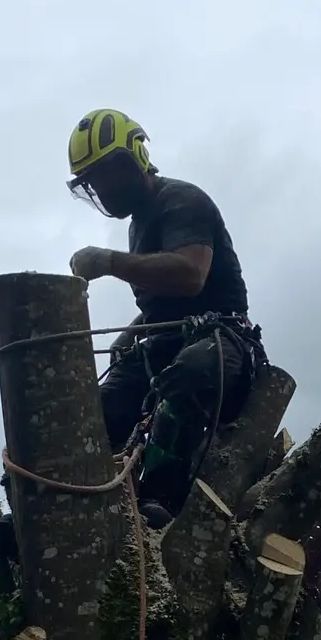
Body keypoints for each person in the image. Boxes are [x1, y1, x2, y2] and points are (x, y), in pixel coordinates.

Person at [66, 108, 263, 525]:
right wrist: (126, 338)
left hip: (224, 344)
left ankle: (161, 500)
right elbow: (161, 309)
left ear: (134, 159)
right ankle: (73, 497)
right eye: (93, 184)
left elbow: (191, 275)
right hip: (168, 341)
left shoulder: (181, 201)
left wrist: (108, 262)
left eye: (107, 176)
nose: (104, 191)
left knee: (189, 371)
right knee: (99, 406)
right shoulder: (138, 225)